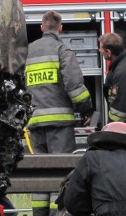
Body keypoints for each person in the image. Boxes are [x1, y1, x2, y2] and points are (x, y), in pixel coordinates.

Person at [25, 11, 94, 153]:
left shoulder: (27, 51)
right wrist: (87, 111)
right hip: (59, 125)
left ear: (42, 27)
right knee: (61, 168)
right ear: (60, 28)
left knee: (40, 170)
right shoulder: (62, 50)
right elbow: (74, 86)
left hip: (34, 121)